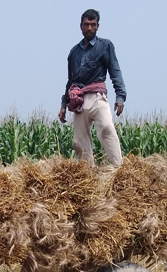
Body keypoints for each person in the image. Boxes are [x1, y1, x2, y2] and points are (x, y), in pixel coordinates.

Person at [59, 9, 127, 167]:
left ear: (98, 26)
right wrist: (64, 104)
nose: (89, 28)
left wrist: (120, 97)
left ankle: (119, 169)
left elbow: (115, 71)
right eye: (86, 24)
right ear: (80, 26)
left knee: (107, 129)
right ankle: (88, 174)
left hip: (97, 97)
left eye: (93, 24)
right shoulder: (74, 52)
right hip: (78, 100)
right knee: (79, 142)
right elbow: (71, 80)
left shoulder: (105, 46)